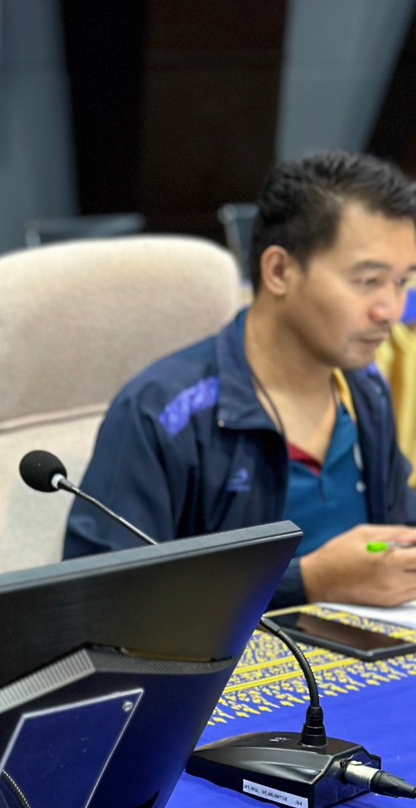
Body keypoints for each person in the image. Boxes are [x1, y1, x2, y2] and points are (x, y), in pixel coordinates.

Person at [65, 150, 416, 608]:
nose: (390, 310)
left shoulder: (365, 389)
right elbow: (104, 601)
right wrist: (307, 581)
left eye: (403, 282)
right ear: (279, 271)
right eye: (368, 281)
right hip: (235, 657)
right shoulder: (162, 412)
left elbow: (397, 534)